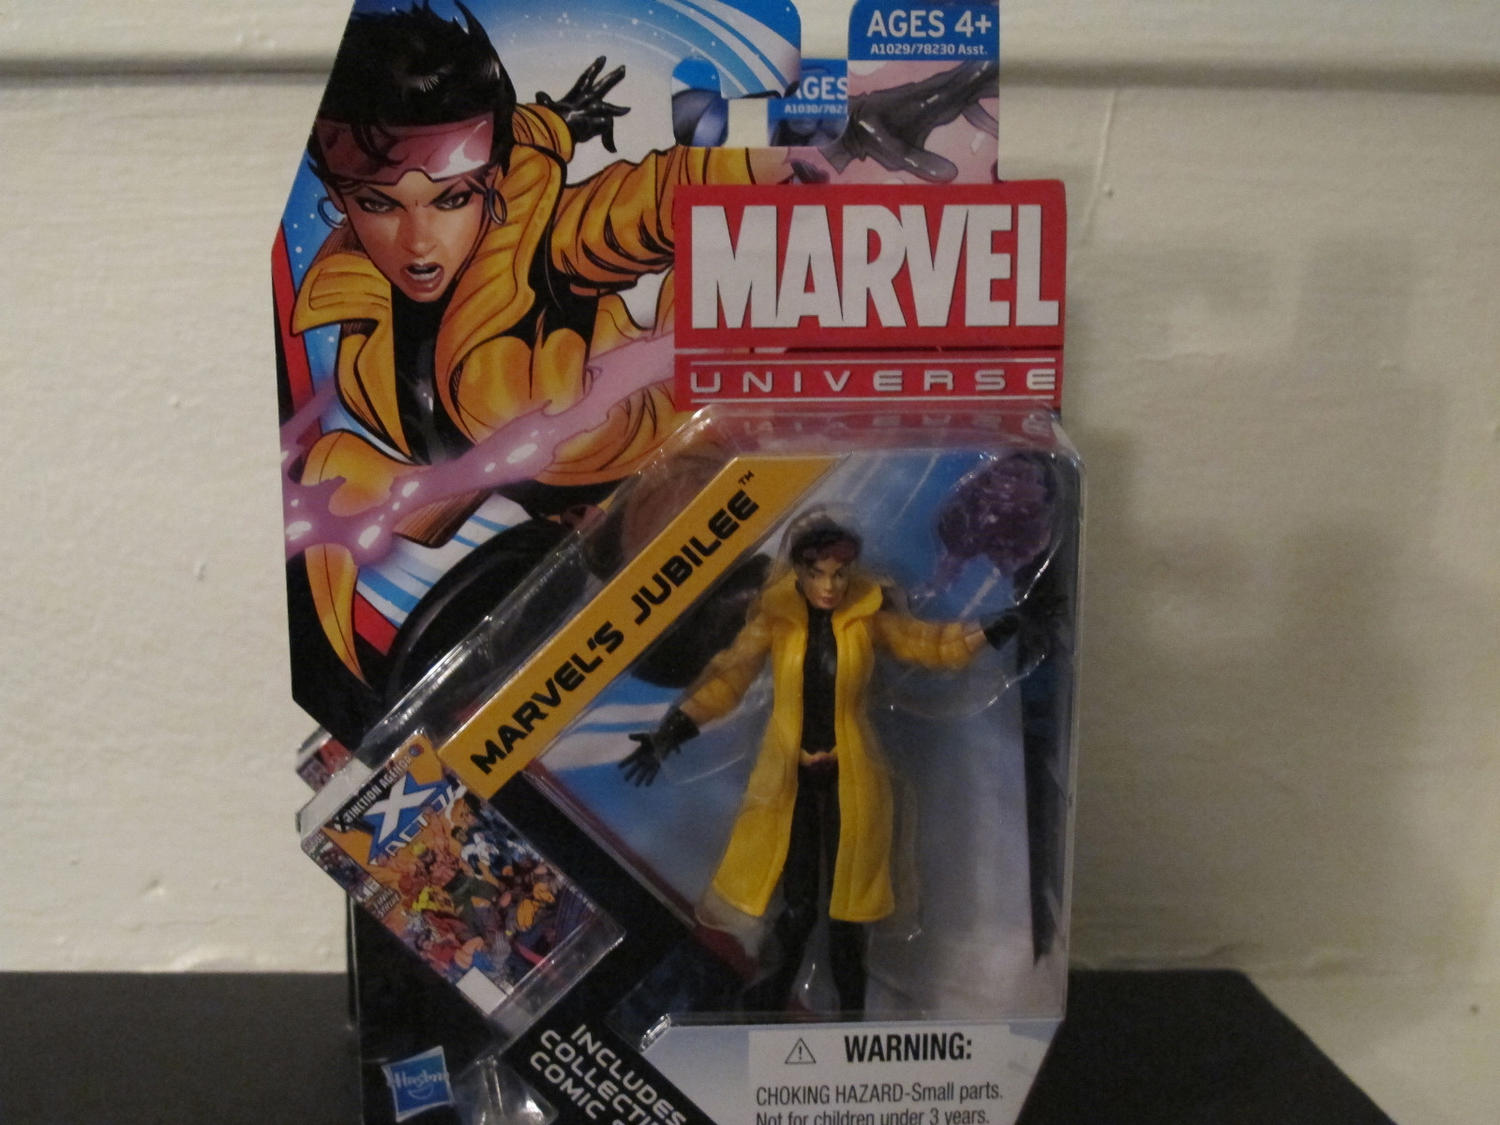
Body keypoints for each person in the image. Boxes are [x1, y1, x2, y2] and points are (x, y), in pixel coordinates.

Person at [281, 2, 1000, 742]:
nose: (419, 242)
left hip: (667, 418)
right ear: (339, 196)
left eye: (452, 198)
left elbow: (653, 202)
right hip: (596, 471)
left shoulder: (539, 244)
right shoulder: (361, 289)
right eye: (378, 203)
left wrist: (798, 154)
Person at [621, 516, 1018, 1014]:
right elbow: (729, 679)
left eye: (839, 574)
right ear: (800, 572)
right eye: (817, 573)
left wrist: (995, 628)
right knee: (798, 906)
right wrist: (671, 732)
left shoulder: (865, 616)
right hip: (789, 781)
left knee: (851, 911)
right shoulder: (775, 618)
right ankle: (766, 1003)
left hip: (854, 777)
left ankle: (850, 1012)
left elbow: (928, 645)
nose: (829, 586)